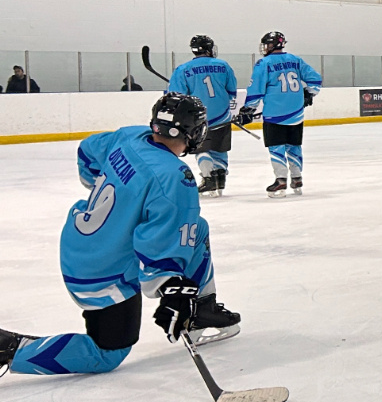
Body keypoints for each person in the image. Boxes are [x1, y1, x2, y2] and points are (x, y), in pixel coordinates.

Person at [0, 94, 241, 380]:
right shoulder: (175, 176)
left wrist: (115, 189)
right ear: (195, 132)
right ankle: (11, 350)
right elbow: (159, 246)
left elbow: (87, 151)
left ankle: (203, 309)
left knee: (196, 229)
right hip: (102, 274)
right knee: (107, 353)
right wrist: (170, 289)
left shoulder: (131, 136)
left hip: (80, 245)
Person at [239, 31, 322, 197]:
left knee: (276, 147)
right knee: (294, 145)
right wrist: (308, 93)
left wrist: (248, 109)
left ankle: (281, 180)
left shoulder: (264, 63)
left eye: (267, 45)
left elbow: (256, 90)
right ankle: (297, 178)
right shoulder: (295, 60)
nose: (264, 48)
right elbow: (315, 79)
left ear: (272, 45)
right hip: (296, 113)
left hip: (275, 114)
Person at [168, 34, 238, 197]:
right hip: (222, 115)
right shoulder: (223, 65)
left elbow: (177, 96)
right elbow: (232, 91)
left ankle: (208, 178)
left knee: (201, 148)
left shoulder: (183, 69)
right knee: (219, 148)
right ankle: (220, 178)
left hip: (198, 118)